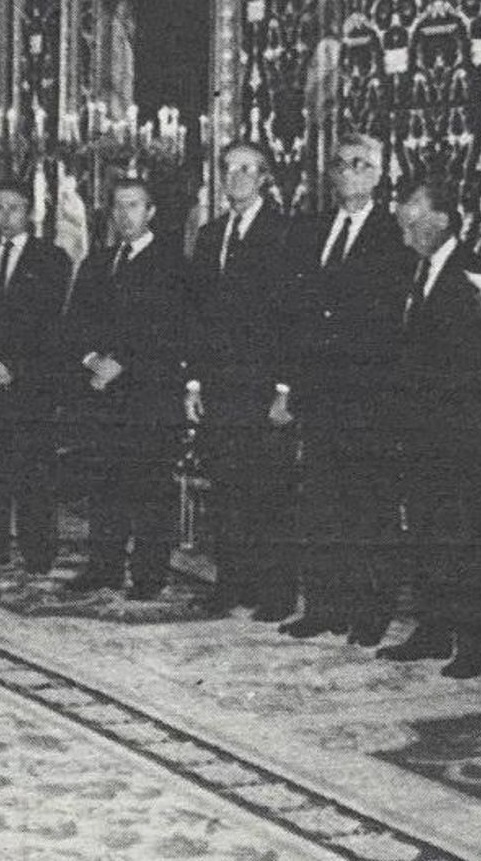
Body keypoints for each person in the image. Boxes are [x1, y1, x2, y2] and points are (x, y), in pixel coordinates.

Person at [374, 178, 481, 678]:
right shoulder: (412, 273)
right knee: (426, 535)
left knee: (471, 540)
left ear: (443, 218)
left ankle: (478, 644)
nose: (404, 222)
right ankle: (434, 629)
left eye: (414, 214)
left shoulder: (477, 274)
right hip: (419, 435)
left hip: (467, 436)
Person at [278, 132, 413, 645]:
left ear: (379, 174)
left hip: (367, 394)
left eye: (361, 164)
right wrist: (289, 386)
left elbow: (387, 317)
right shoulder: (311, 231)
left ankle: (370, 610)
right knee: (320, 504)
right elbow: (294, 309)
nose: (349, 172)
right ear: (329, 174)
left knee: (369, 506)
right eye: (341, 164)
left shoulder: (391, 233)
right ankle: (323, 606)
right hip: (317, 391)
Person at [183, 141, 300, 619]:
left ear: (265, 178)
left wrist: (284, 388)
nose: (236, 178)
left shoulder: (284, 233)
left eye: (247, 170)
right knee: (227, 491)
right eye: (229, 169)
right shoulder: (211, 236)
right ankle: (231, 583)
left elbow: (294, 317)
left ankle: (274, 593)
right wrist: (193, 385)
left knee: (268, 492)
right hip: (219, 385)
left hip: (263, 385)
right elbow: (195, 315)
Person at [62, 178, 187, 600]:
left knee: (150, 485)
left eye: (133, 206)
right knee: (105, 482)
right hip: (101, 392)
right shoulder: (97, 262)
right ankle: (104, 566)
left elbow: (171, 329)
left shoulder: (172, 264)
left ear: (151, 212)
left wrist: (123, 363)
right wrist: (92, 360)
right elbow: (75, 322)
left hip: (149, 394)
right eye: (117, 207)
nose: (123, 215)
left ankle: (150, 573)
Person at [0, 180, 70, 572]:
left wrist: (17, 370)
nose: (6, 216)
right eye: (0, 208)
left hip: (30, 384)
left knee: (33, 471)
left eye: (15, 208)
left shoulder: (52, 259)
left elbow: (51, 327)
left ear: (31, 214)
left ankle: (37, 549)